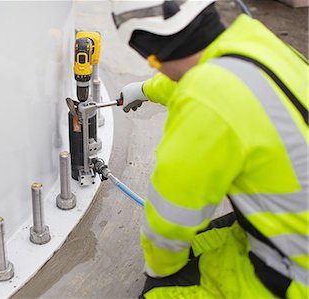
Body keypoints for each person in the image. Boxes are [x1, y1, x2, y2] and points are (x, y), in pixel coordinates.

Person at [111, 0, 308, 298]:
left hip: (296, 277)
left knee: (160, 287)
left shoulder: (205, 102)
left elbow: (168, 224)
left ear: (153, 53)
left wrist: (160, 273)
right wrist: (144, 90)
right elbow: (205, 73)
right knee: (200, 242)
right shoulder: (253, 38)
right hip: (296, 227)